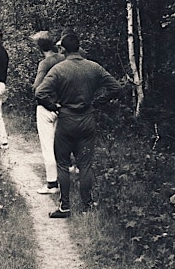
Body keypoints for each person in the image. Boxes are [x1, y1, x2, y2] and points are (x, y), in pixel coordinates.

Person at [35, 32, 123, 218]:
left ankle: (64, 207)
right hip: (87, 120)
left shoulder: (59, 69)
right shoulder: (93, 67)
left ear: (63, 49)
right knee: (85, 165)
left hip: (66, 120)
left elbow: (40, 92)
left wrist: (54, 106)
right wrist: (97, 102)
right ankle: (87, 204)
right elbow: (116, 87)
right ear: (78, 47)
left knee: (63, 164)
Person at [31, 32, 64, 194]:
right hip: (64, 106)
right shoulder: (63, 59)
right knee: (61, 144)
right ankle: (65, 178)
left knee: (47, 145)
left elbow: (37, 88)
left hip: (47, 107)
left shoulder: (45, 63)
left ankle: (52, 183)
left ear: (40, 47)